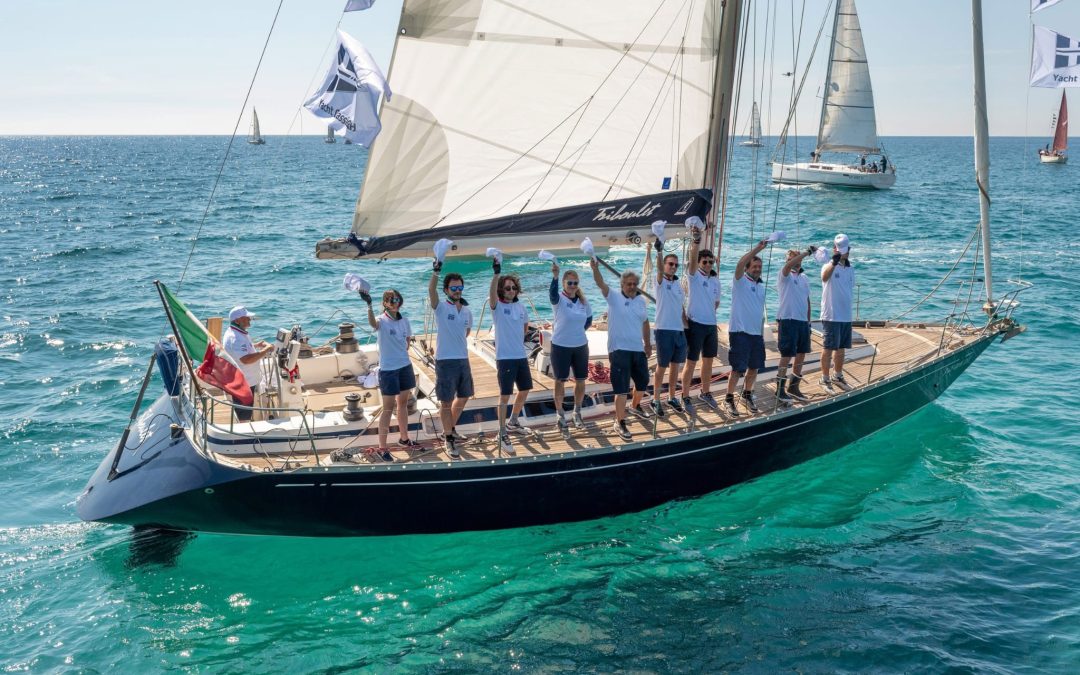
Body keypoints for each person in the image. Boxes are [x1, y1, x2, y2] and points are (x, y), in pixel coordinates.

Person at [591, 259, 652, 441]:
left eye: (634, 284)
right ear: (622, 285)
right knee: (621, 389)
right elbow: (600, 283)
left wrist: (647, 344)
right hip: (619, 350)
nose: (632, 287)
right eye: (628, 284)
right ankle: (620, 421)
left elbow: (645, 322)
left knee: (643, 381)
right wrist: (595, 268)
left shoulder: (640, 301)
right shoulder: (614, 297)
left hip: (637, 349)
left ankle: (635, 406)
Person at [362, 288, 418, 461]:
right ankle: (382, 447)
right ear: (385, 303)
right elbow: (373, 324)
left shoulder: (405, 321)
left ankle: (404, 439)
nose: (396, 303)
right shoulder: (381, 320)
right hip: (388, 371)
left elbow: (407, 343)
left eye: (397, 299)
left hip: (405, 366)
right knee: (387, 409)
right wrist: (369, 306)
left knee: (403, 404)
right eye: (392, 300)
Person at [429, 261, 473, 459]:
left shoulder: (467, 311)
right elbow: (431, 291)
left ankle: (451, 429)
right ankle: (448, 438)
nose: (457, 291)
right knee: (446, 402)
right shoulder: (440, 307)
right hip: (445, 361)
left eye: (460, 288)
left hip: (463, 359)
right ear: (446, 290)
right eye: (453, 288)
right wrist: (436, 271)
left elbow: (466, 332)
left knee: (463, 396)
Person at [489, 257, 532, 455]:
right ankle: (502, 431)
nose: (511, 291)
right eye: (507, 288)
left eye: (514, 288)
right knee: (505, 395)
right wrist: (496, 274)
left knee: (525, 389)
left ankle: (513, 422)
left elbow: (525, 328)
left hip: (520, 356)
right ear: (501, 290)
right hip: (505, 357)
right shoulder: (497, 307)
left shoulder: (521, 307)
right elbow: (491, 294)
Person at [680, 222, 722, 412]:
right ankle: (685, 395)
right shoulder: (693, 276)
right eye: (704, 261)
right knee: (691, 362)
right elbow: (691, 259)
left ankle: (705, 392)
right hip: (695, 324)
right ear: (699, 263)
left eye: (710, 262)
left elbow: (716, 303)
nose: (708, 264)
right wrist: (696, 241)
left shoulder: (715, 280)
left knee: (709, 361)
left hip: (711, 325)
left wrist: (708, 314)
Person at [725, 240, 769, 416]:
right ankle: (729, 398)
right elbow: (739, 264)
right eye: (754, 266)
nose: (757, 269)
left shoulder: (761, 287)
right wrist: (758, 249)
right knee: (737, 369)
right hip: (740, 332)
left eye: (759, 267)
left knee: (754, 367)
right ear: (747, 268)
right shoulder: (740, 281)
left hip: (756, 334)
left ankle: (747, 394)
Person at [548, 261, 592, 431]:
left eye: (575, 283)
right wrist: (555, 276)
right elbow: (552, 293)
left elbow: (588, 320)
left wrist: (577, 332)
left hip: (580, 346)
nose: (573, 286)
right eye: (570, 283)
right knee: (560, 380)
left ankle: (577, 412)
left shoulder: (583, 302)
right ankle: (560, 414)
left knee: (580, 380)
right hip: (560, 346)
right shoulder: (559, 299)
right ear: (564, 283)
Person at [651, 239, 688, 417]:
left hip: (679, 331)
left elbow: (681, 308)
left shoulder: (678, 285)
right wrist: (659, 252)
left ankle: (672, 397)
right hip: (664, 329)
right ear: (665, 265)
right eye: (670, 264)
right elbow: (659, 270)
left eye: (676, 265)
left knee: (675, 366)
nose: (673, 267)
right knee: (662, 366)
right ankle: (656, 399)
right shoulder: (659, 281)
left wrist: (687, 325)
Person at [775, 248, 815, 403]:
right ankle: (779, 390)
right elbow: (787, 267)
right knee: (786, 355)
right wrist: (806, 252)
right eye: (792, 259)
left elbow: (807, 301)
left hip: (802, 321)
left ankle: (793, 387)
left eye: (798, 259)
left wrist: (808, 322)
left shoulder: (804, 278)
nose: (795, 262)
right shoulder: (784, 275)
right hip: (788, 319)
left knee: (801, 353)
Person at [222, 305, 273, 422]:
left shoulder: (235, 332)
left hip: (245, 380)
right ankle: (244, 428)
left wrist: (255, 345)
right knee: (244, 414)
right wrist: (266, 350)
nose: (250, 319)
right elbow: (246, 359)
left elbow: (239, 349)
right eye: (246, 318)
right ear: (237, 320)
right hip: (244, 382)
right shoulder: (236, 338)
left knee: (245, 408)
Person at [820, 233, 856, 393]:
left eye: (845, 250)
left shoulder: (850, 268)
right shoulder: (828, 265)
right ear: (834, 249)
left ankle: (837, 375)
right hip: (831, 315)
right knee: (828, 348)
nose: (842, 253)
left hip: (846, 315)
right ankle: (824, 378)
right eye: (839, 250)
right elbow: (824, 277)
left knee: (841, 348)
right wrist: (834, 262)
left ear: (849, 250)